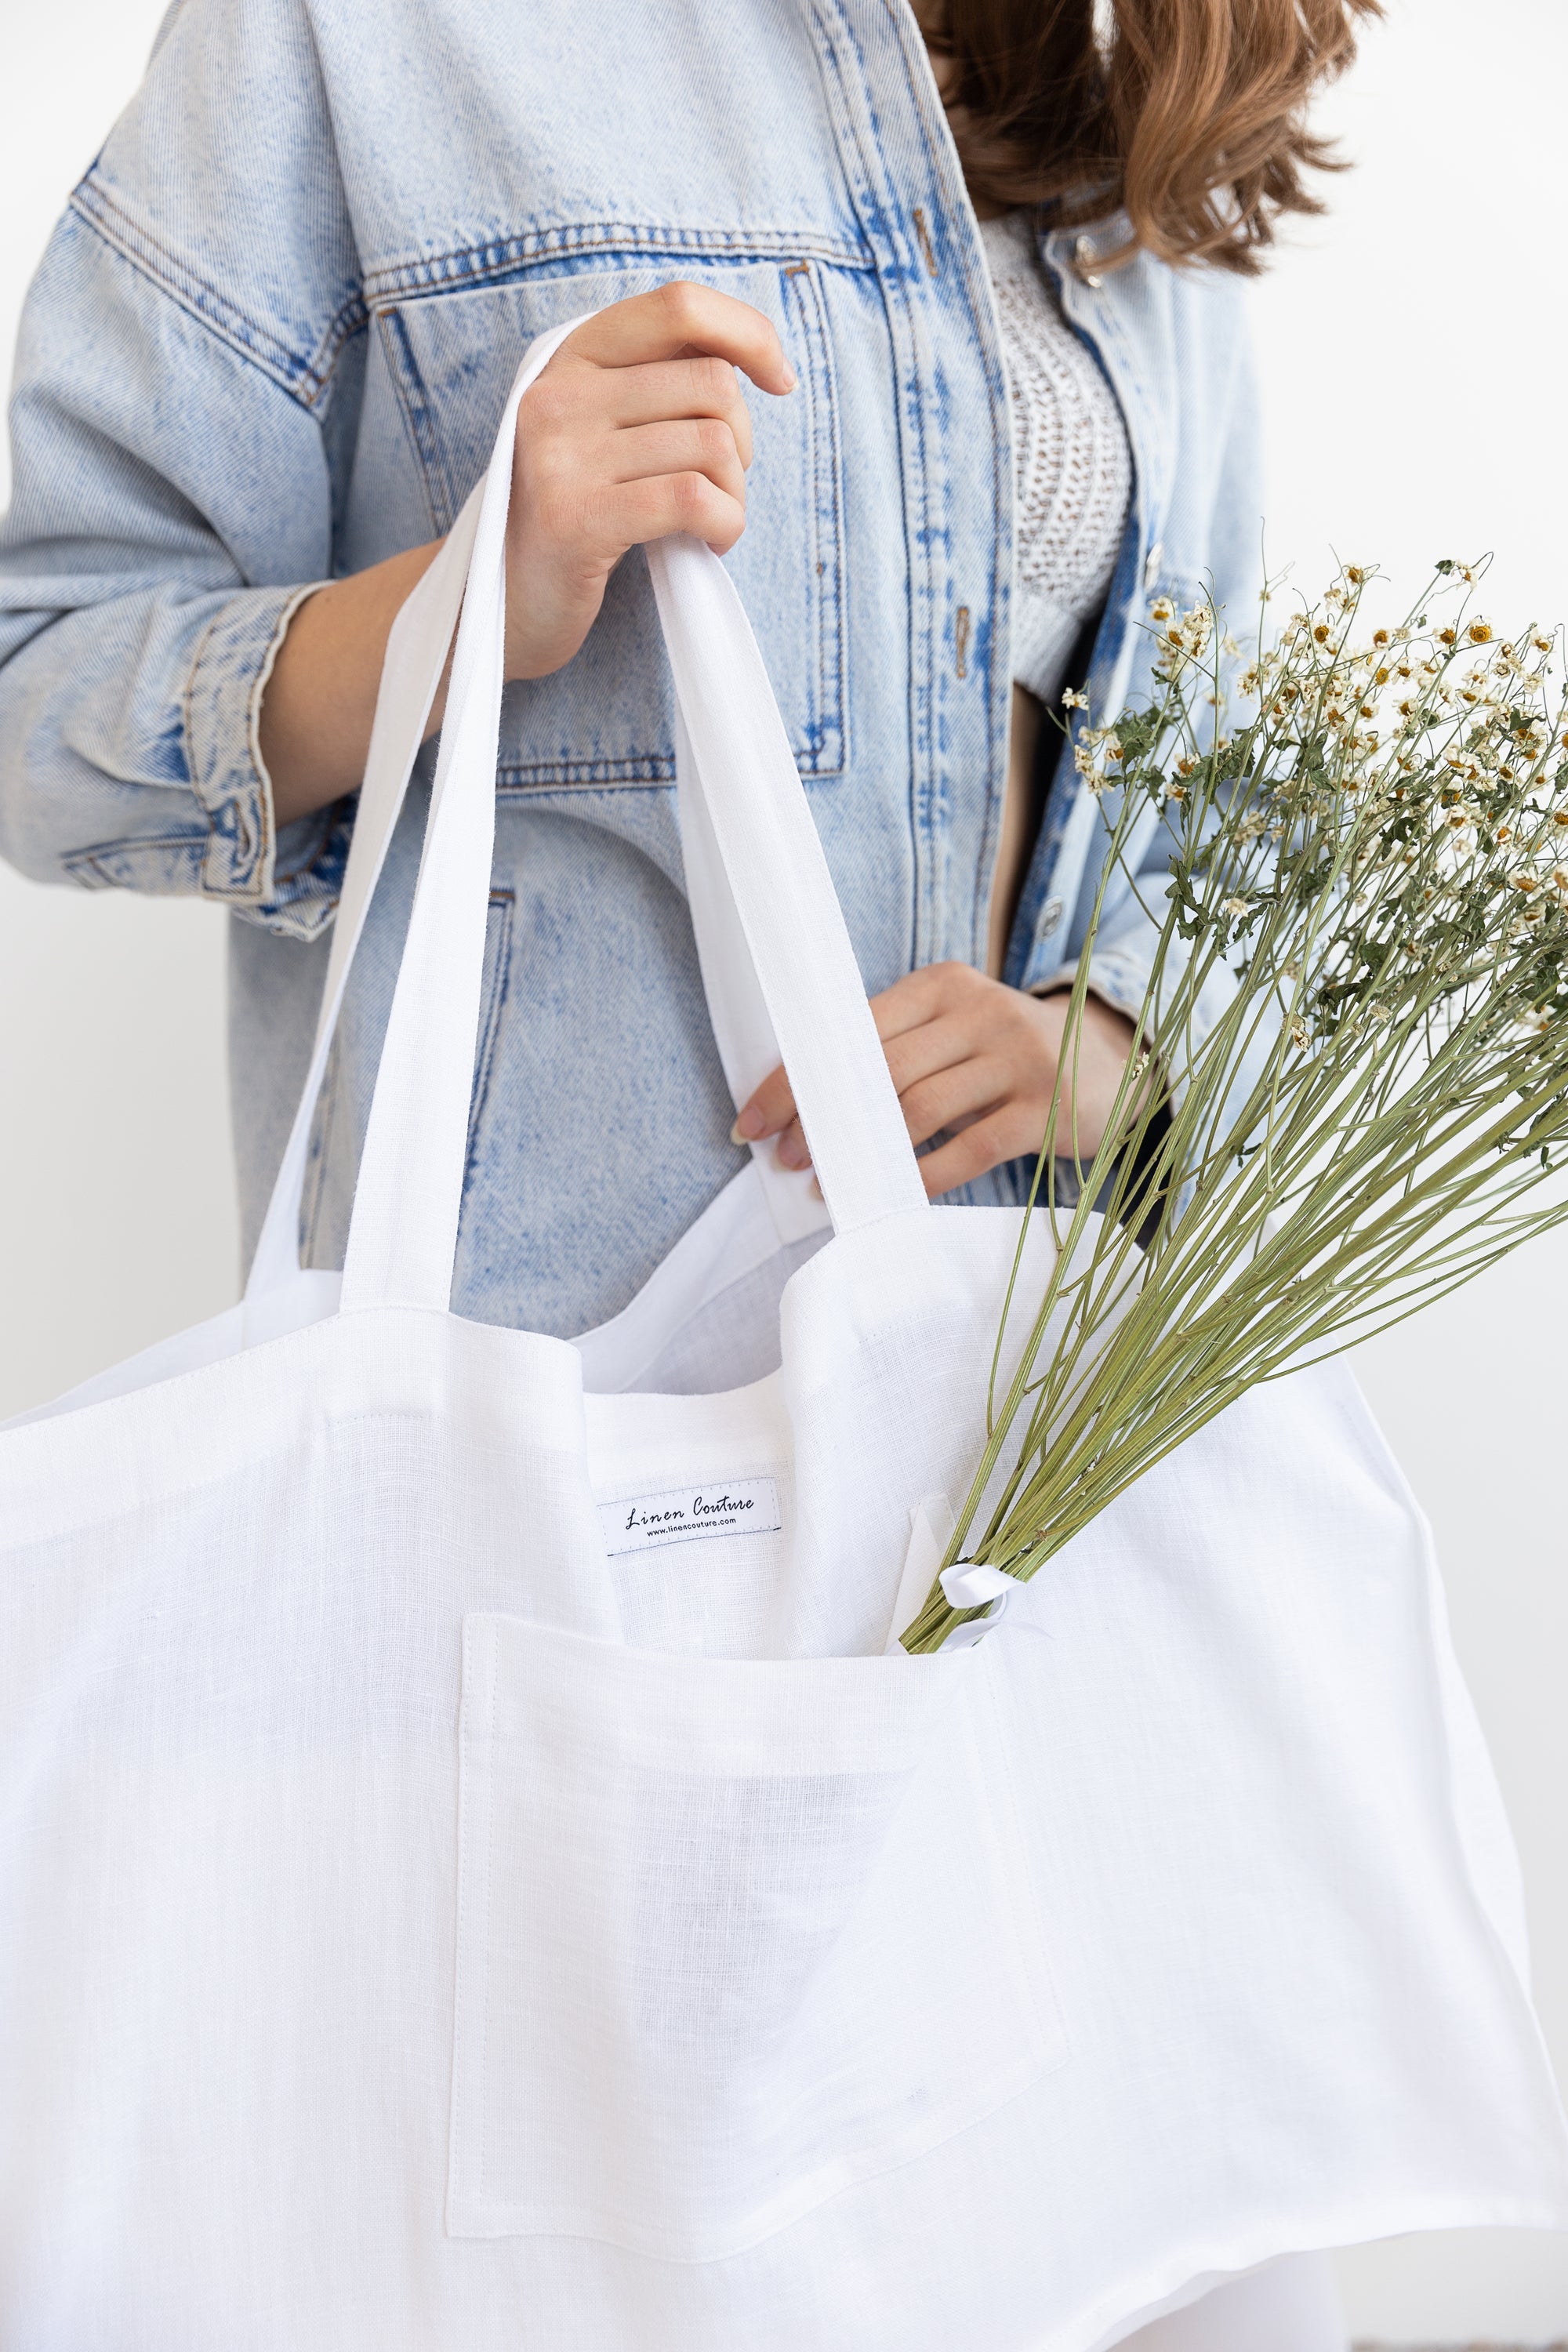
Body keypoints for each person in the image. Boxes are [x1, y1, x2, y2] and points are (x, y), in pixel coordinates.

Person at [0, 0, 1377, 2339]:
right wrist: (458, 607)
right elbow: (41, 687)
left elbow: (1227, 785)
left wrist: (1117, 1057)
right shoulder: (366, 34)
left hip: (1022, 1486)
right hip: (556, 1523)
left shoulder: (1135, 59)